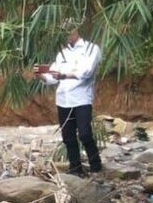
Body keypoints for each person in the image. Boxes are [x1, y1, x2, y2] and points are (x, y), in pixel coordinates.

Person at [35, 26, 103, 176]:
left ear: (77, 30)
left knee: (85, 134)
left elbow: (86, 72)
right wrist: (41, 75)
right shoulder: (62, 52)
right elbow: (53, 76)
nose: (66, 35)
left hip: (82, 98)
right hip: (63, 99)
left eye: (68, 32)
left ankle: (96, 166)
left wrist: (63, 75)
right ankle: (75, 169)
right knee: (68, 137)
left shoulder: (91, 48)